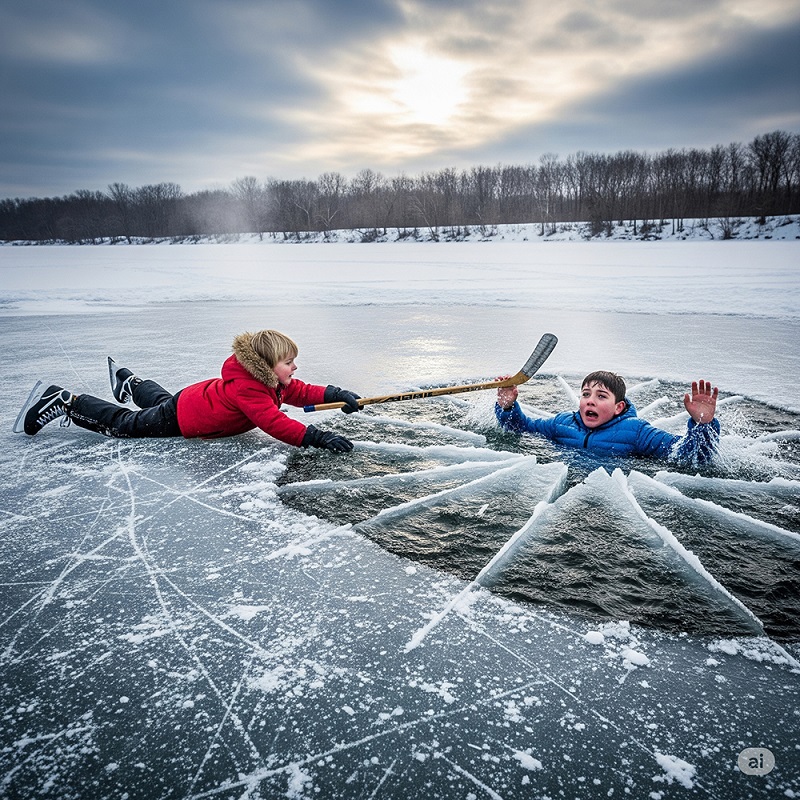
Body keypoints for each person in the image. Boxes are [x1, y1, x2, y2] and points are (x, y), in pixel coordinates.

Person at [14, 330, 361, 453]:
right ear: (268, 366)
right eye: (288, 362)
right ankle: (66, 401)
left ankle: (131, 383)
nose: (294, 368)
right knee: (125, 425)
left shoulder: (270, 380)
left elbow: (301, 391)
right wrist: (317, 437)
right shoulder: (251, 391)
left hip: (192, 401)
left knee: (161, 402)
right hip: (184, 417)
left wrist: (336, 393)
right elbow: (273, 422)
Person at [495, 370, 720, 464]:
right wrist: (508, 407)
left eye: (601, 396)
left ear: (618, 407)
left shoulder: (636, 431)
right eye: (586, 394)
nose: (590, 401)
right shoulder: (562, 423)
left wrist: (703, 424)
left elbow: (687, 456)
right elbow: (521, 427)